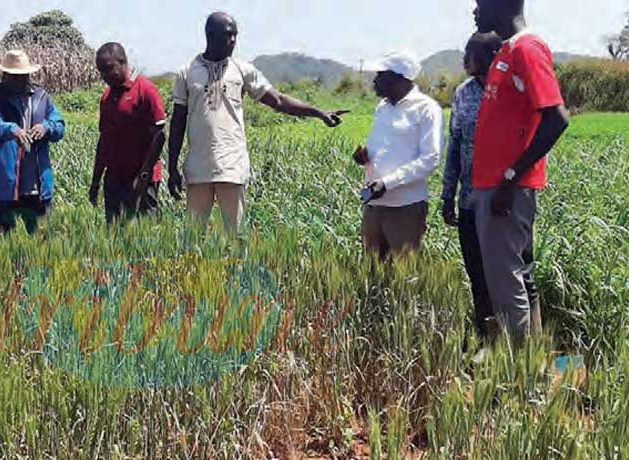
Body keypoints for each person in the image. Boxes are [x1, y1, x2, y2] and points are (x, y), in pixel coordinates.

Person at [167, 12, 349, 233]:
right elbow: (177, 121)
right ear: (209, 35)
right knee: (192, 241)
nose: (233, 41)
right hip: (197, 170)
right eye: (227, 35)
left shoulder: (242, 70)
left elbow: (278, 100)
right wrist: (172, 166)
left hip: (232, 168)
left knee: (236, 239)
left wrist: (318, 112)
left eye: (235, 35)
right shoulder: (186, 73)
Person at [471, 0, 570, 344]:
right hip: (493, 187)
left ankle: (519, 377)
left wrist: (510, 178)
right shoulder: (506, 51)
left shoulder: (527, 48)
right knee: (505, 282)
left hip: (505, 191)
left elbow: (556, 118)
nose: (474, 11)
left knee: (506, 284)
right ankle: (526, 364)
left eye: (479, 3)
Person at [441, 32, 503, 342]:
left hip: (501, 201)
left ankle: (515, 345)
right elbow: (454, 145)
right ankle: (485, 337)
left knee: (505, 277)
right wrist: (447, 194)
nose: (465, 59)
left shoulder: (507, 90)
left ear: (493, 55)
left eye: (472, 53)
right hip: (468, 202)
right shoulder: (463, 93)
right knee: (476, 273)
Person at [353, 51, 443, 260]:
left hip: (405, 207)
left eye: (380, 75)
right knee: (372, 274)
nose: (374, 80)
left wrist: (388, 183)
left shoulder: (426, 108)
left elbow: (430, 158)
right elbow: (388, 148)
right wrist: (365, 159)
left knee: (403, 278)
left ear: (398, 78)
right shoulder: (382, 108)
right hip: (373, 204)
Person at [0, 50, 66, 235]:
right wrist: (12, 130)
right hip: (4, 185)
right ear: (5, 76)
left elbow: (59, 125)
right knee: (6, 240)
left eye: (22, 76)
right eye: (13, 77)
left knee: (41, 242)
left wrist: (46, 127)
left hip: (37, 186)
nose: (18, 81)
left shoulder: (41, 97)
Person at [89, 42, 168, 224]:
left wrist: (143, 177)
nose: (105, 76)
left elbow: (159, 135)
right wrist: (95, 182)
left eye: (109, 69)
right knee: (115, 237)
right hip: (115, 179)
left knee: (145, 238)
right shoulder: (106, 97)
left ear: (122, 62)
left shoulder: (146, 90)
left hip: (141, 180)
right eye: (101, 71)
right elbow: (104, 142)